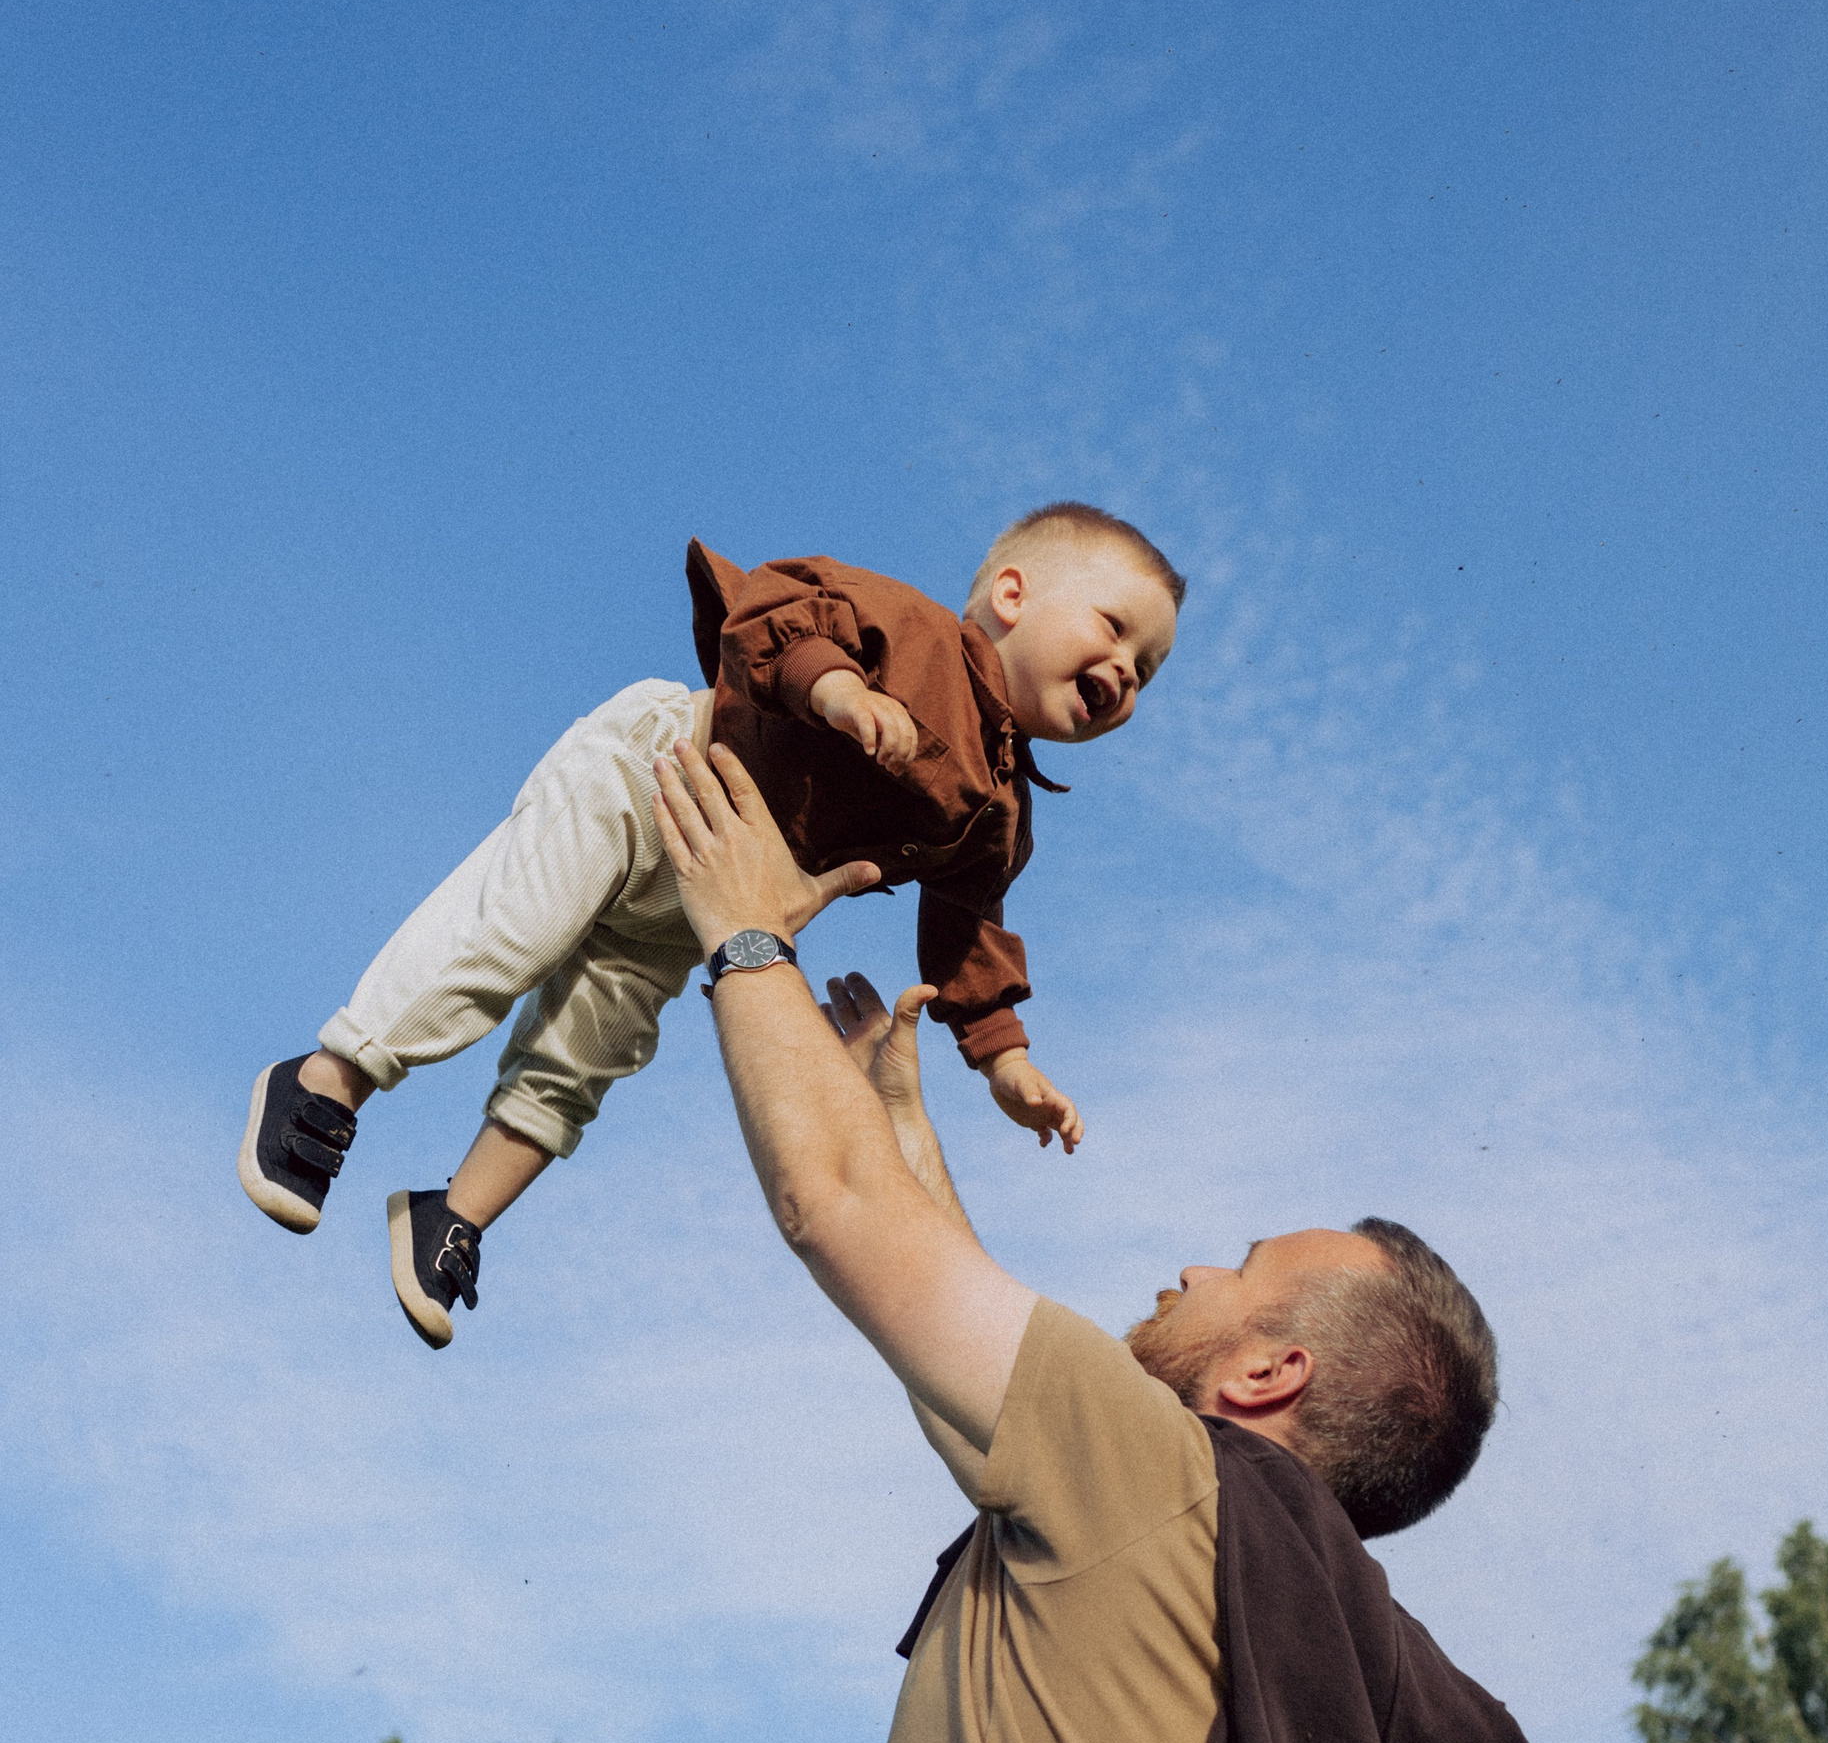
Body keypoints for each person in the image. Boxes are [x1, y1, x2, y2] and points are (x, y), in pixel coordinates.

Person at [650, 734, 1528, 1743]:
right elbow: (948, 1308)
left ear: (1267, 1373)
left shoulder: (1160, 1479)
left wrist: (741, 933)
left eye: (1238, 1268)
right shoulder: (1215, 1547)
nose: (1190, 1265)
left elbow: (840, 1214)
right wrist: (901, 1115)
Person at [237, 503, 1183, 1345]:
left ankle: (453, 1215)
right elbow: (783, 609)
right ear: (1012, 595)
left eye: (1145, 670)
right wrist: (838, 691)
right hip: (654, 776)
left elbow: (968, 932)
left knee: (590, 1053)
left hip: (706, 891)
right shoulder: (916, 631)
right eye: (1114, 629)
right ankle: (328, 1078)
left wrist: (1005, 1059)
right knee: (508, 938)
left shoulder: (999, 814)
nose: (1124, 672)